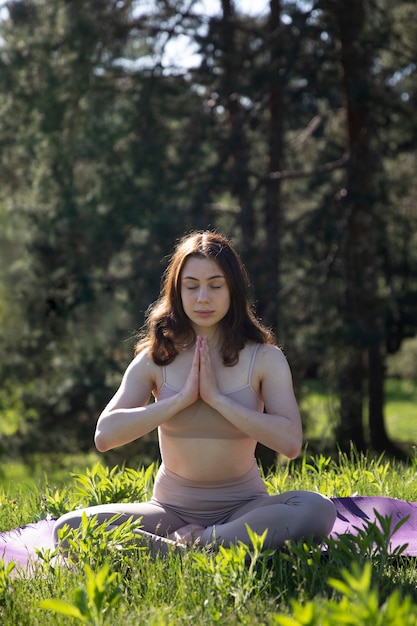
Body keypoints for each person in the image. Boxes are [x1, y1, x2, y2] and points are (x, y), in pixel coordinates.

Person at [53, 231, 336, 553]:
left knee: (318, 509)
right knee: (70, 529)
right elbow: (105, 436)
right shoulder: (155, 358)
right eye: (192, 286)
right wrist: (181, 400)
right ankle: (207, 549)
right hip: (169, 512)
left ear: (233, 289)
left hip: (245, 510)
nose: (203, 297)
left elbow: (290, 443)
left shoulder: (264, 358)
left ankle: (194, 545)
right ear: (176, 291)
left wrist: (217, 399)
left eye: (216, 286)